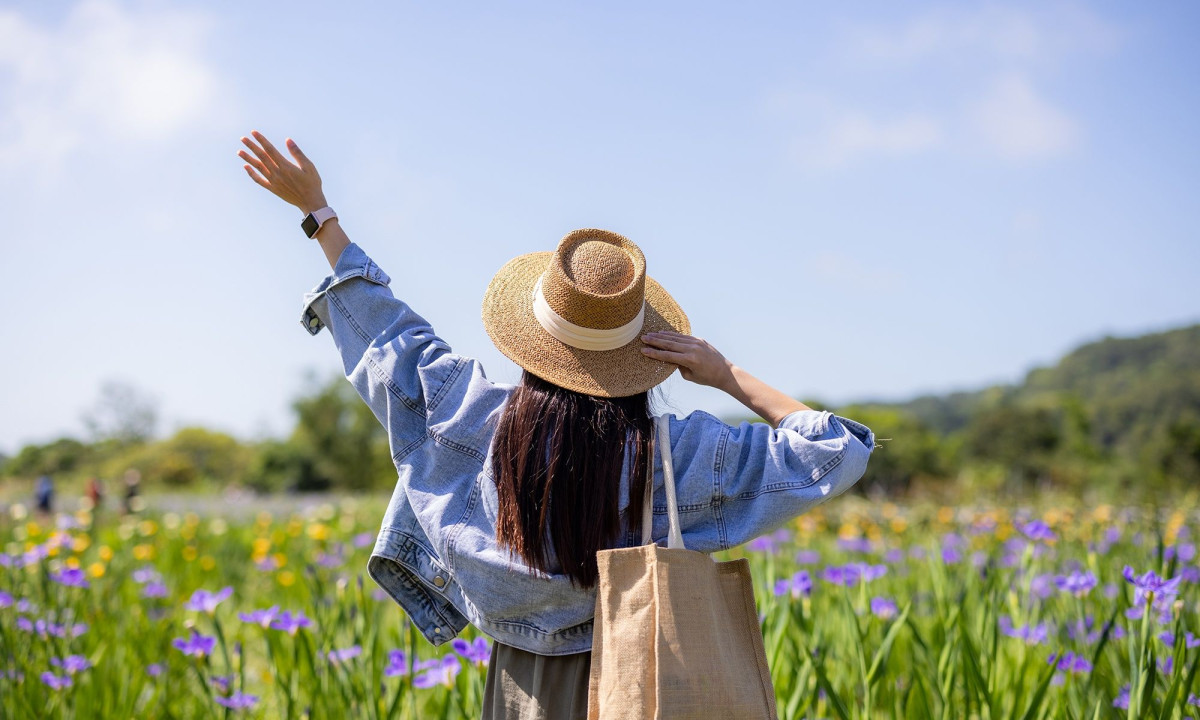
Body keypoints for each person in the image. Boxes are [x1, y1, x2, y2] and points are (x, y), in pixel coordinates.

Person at [239, 130, 877, 719]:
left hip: (517, 685)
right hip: (645, 683)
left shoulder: (468, 415)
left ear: (530, 337)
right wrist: (724, 372)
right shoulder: (676, 453)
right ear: (639, 350)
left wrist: (320, 214)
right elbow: (831, 450)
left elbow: (388, 334)